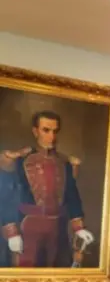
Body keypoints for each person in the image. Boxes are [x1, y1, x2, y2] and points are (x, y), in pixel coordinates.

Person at [0, 110, 94, 268]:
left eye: (55, 131)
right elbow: (7, 195)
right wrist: (12, 232)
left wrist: (78, 228)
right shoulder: (20, 160)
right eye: (46, 130)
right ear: (35, 131)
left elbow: (72, 195)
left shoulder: (64, 162)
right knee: (24, 274)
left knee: (56, 273)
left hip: (58, 229)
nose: (52, 136)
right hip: (27, 227)